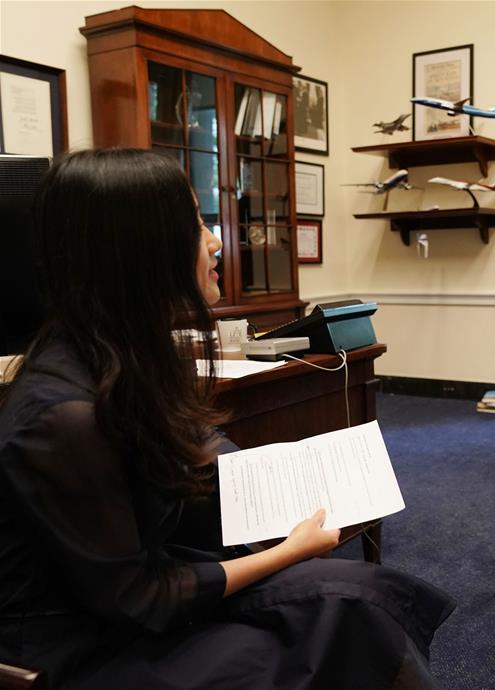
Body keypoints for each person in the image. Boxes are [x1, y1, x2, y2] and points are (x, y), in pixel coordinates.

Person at [0, 149, 454, 689]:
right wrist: (287, 551)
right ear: (142, 250)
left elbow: (195, 442)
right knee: (344, 615)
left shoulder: (120, 357)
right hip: (84, 649)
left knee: (358, 595)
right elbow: (143, 599)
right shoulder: (64, 417)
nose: (215, 241)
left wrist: (277, 476)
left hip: (137, 595)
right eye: (195, 224)